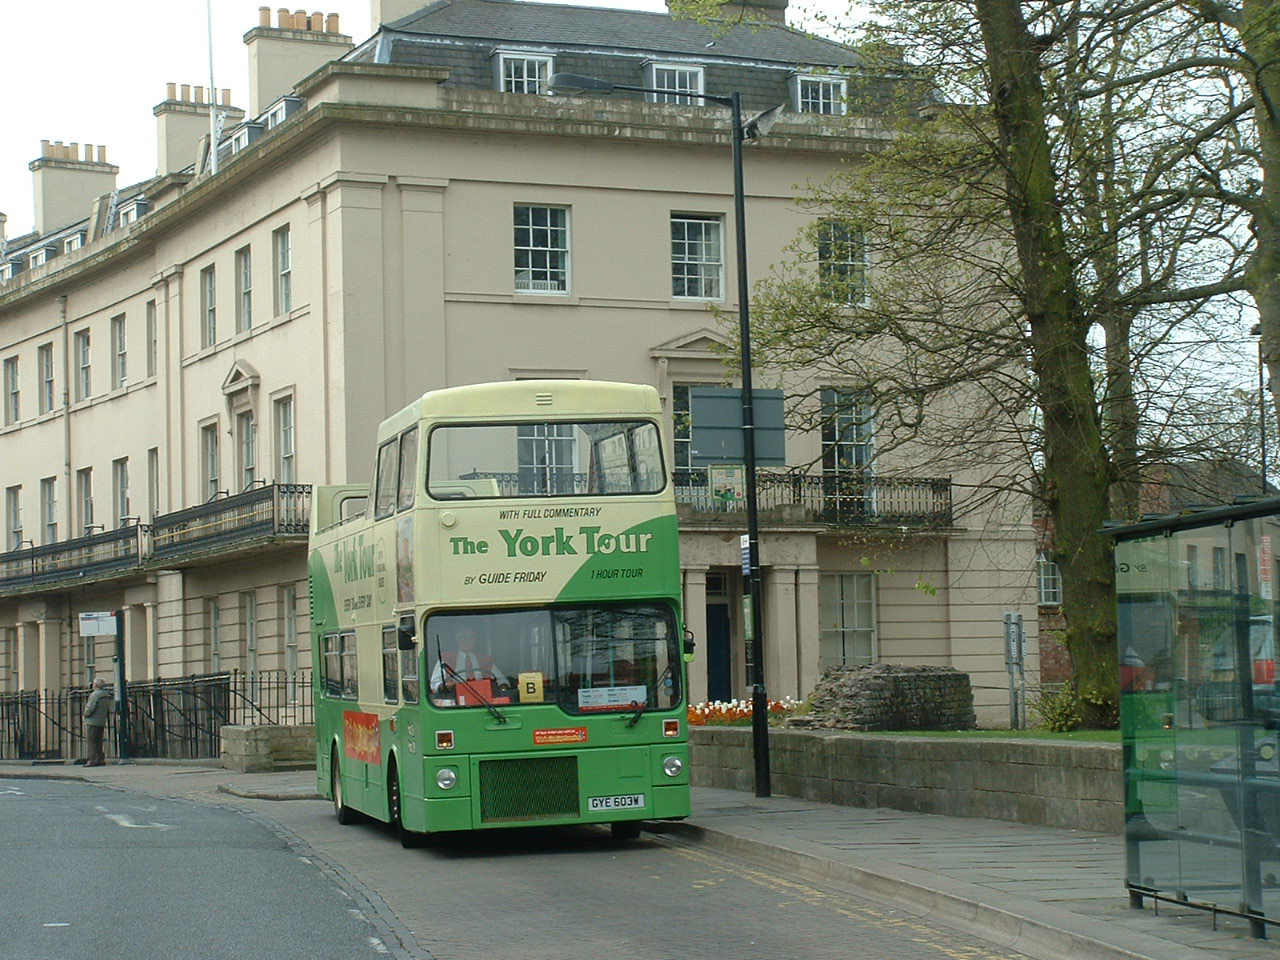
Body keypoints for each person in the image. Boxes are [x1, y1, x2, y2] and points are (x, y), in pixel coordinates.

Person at [430, 627, 508, 695]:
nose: (467, 640)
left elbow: (502, 680)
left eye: (471, 637)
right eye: (463, 637)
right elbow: (434, 683)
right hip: (455, 700)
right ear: (457, 639)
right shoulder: (445, 659)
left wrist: (502, 688)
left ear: (475, 640)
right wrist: (445, 686)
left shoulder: (484, 659)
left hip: (483, 699)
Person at [83, 677, 113, 767]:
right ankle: (100, 758)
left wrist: (85, 714)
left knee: (92, 741)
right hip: (101, 720)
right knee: (99, 741)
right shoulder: (106, 694)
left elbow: (90, 707)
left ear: (95, 685)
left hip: (92, 721)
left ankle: (92, 759)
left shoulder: (95, 695)